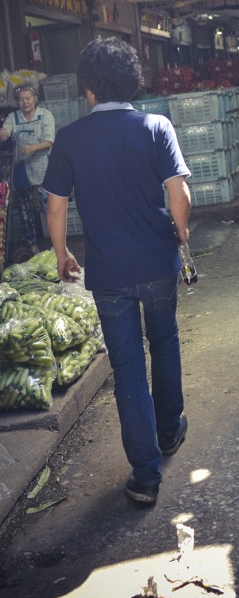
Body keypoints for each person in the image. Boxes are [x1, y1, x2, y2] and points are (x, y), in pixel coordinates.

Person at [43, 38, 192, 506]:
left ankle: (145, 476)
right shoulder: (155, 125)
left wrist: (62, 254)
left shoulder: (70, 138)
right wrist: (181, 233)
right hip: (157, 263)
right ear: (133, 80)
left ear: (87, 88)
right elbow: (179, 195)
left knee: (128, 369)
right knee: (165, 341)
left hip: (107, 272)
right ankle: (170, 431)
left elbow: (55, 206)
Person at [0, 83, 55, 254]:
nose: (25, 102)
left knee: (50, 208)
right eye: (21, 99)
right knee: (25, 211)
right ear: (17, 102)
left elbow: (49, 141)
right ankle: (33, 246)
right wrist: (3, 132)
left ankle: (57, 243)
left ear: (35, 99)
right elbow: (6, 130)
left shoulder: (45, 115)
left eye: (28, 98)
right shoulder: (13, 117)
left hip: (43, 168)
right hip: (22, 169)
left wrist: (33, 148)